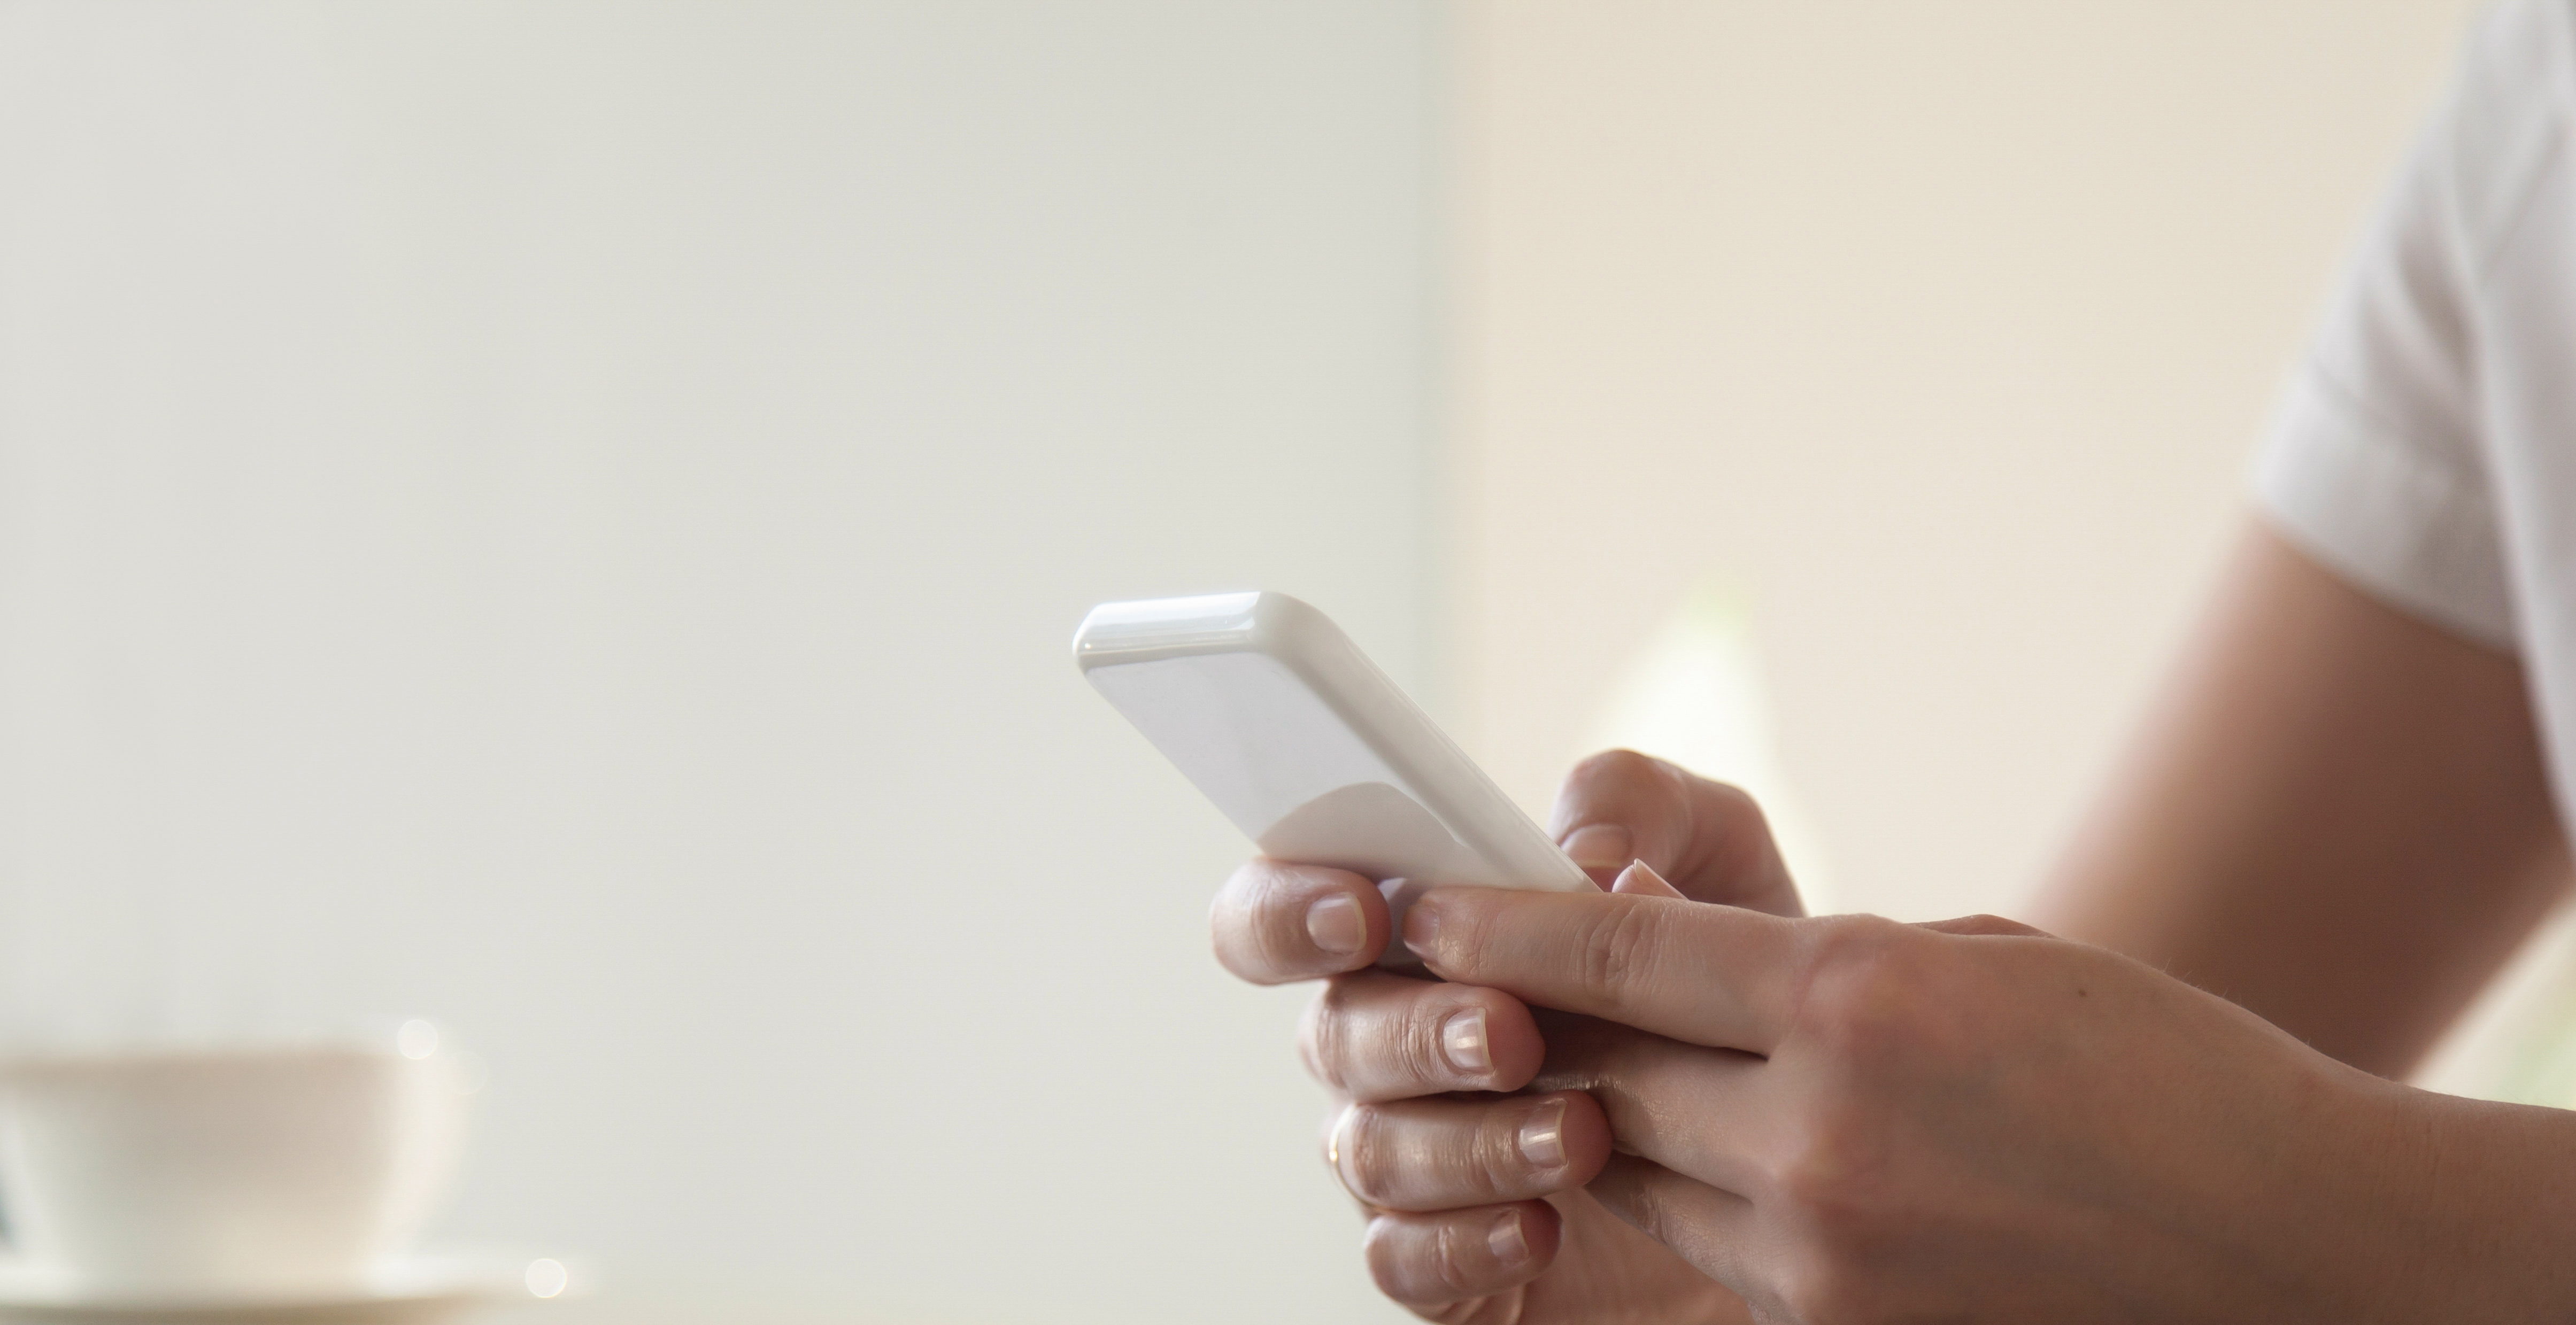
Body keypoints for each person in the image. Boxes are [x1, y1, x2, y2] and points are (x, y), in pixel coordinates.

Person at [1204, 2, 2576, 1319]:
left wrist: (2312, 1227)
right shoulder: (2536, 125)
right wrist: (1731, 1232)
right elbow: (2096, 1161)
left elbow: (2200, 1189)